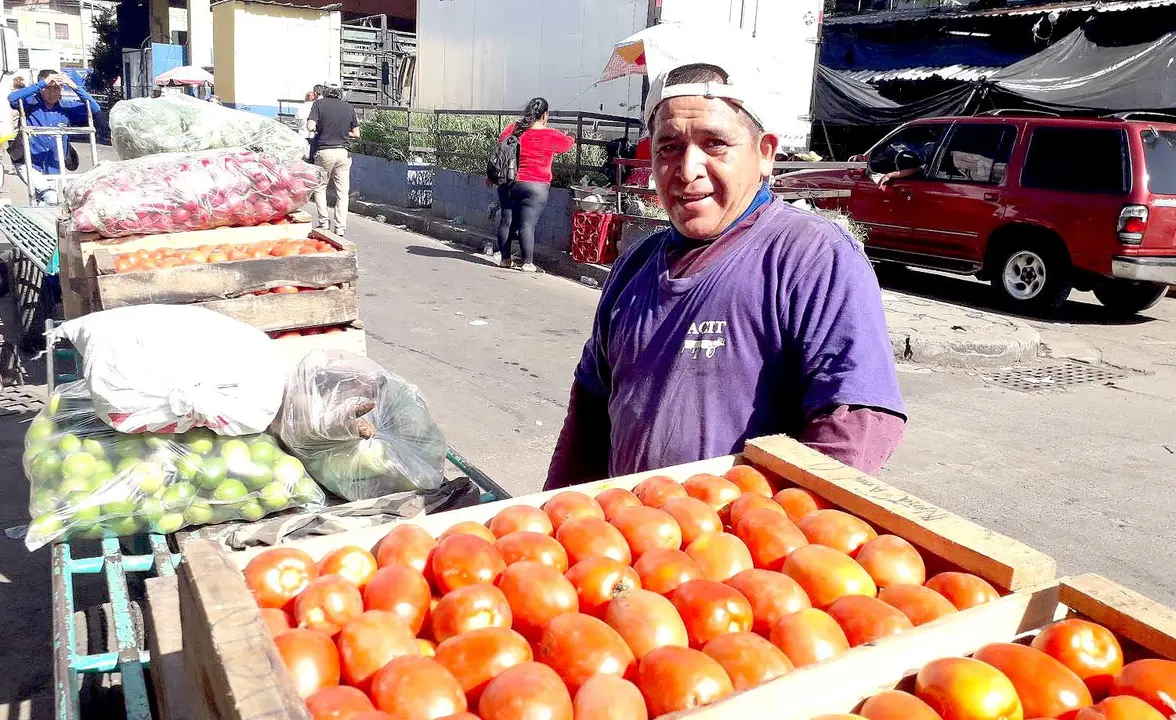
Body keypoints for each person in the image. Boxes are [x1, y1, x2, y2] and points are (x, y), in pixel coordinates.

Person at [544, 58, 906, 490]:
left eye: (714, 144)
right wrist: (557, 514)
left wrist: (772, 522)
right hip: (627, 528)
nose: (687, 170)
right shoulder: (633, 266)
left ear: (765, 154)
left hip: (743, 530)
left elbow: (854, 424)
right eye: (668, 147)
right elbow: (589, 412)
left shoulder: (813, 257)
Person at [495, 98, 574, 272]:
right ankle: (528, 263)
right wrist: (571, 136)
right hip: (536, 185)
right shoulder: (551, 134)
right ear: (545, 115)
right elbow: (567, 145)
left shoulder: (513, 128)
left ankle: (505, 260)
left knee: (506, 220)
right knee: (527, 224)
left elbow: (500, 145)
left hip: (509, 181)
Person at [8, 69, 100, 206]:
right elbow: (12, 98)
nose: (53, 92)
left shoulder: (66, 107)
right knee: (50, 196)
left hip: (55, 165)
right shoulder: (30, 104)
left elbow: (94, 108)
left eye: (57, 88)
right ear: (41, 88)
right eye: (49, 88)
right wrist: (43, 83)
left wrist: (73, 85)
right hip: (29, 163)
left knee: (44, 204)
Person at [307, 85, 359, 236]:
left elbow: (310, 126)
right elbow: (356, 133)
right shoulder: (348, 107)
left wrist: (320, 128)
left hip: (325, 151)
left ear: (325, 91)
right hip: (343, 153)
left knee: (320, 187)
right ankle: (340, 227)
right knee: (342, 192)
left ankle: (324, 223)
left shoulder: (318, 104)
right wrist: (343, 132)